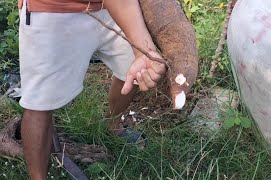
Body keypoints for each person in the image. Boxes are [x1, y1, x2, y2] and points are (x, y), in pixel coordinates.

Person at [17, 0, 167, 179]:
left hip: (111, 8)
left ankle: (112, 125)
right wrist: (143, 50)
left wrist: (142, 52)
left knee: (133, 70)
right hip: (52, 10)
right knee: (39, 103)